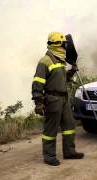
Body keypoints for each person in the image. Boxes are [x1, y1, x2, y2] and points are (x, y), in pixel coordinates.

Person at [31, 32, 84, 166]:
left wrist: (71, 71)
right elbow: (38, 82)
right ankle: (49, 156)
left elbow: (62, 79)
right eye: (64, 44)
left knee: (69, 125)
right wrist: (38, 103)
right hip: (52, 99)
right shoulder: (45, 61)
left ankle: (69, 152)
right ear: (57, 45)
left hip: (63, 98)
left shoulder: (60, 61)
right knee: (51, 129)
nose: (66, 47)